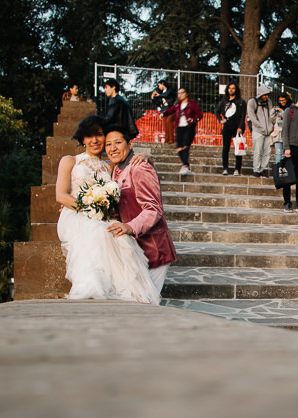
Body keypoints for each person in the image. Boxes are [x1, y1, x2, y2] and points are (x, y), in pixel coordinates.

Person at [54, 115, 158, 304]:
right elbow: (61, 196)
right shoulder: (70, 161)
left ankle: (128, 290)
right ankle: (91, 285)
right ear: (82, 139)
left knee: (119, 234)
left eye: (99, 135)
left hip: (101, 215)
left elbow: (131, 162)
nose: (94, 140)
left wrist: (146, 156)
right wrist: (89, 207)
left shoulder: (111, 165)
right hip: (76, 214)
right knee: (97, 231)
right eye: (89, 136)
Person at [105, 125, 178, 293]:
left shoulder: (140, 168)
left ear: (130, 144)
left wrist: (131, 226)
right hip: (133, 249)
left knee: (146, 303)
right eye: (108, 144)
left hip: (153, 249)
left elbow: (153, 209)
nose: (112, 148)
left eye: (117, 142)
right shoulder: (116, 169)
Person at [161, 88, 202, 176]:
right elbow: (171, 110)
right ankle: (186, 165)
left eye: (182, 93)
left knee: (185, 146)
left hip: (189, 127)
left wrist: (193, 119)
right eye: (179, 93)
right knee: (179, 147)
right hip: (179, 127)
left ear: (186, 94)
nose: (180, 95)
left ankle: (185, 165)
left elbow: (199, 114)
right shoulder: (178, 105)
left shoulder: (192, 104)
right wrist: (163, 113)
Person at [215, 82, 247, 176]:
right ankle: (225, 168)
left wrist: (240, 127)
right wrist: (220, 119)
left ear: (236, 90)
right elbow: (216, 111)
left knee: (238, 148)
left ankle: (237, 169)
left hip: (237, 127)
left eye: (233, 88)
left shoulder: (241, 101)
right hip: (227, 127)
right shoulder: (224, 101)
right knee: (225, 148)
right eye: (229, 88)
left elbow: (243, 116)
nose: (231, 90)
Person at [247, 85, 273, 177]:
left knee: (267, 151)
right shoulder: (252, 102)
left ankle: (263, 168)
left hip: (268, 130)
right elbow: (252, 116)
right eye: (264, 95)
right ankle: (256, 169)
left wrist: (270, 126)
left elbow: (271, 114)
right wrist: (260, 126)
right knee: (257, 151)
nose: (266, 97)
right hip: (258, 130)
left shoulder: (269, 102)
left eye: (267, 95)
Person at [151, 79, 177, 144]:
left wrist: (158, 95)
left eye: (159, 85)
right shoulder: (162, 93)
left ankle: (171, 139)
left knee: (169, 122)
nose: (159, 87)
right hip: (164, 110)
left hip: (171, 109)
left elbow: (166, 95)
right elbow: (159, 102)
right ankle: (167, 139)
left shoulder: (170, 90)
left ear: (162, 83)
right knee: (165, 125)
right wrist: (153, 98)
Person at [271, 92, 291, 164]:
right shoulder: (277, 109)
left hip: (287, 135)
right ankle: (278, 169)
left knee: (287, 154)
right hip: (278, 134)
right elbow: (272, 120)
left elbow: (288, 118)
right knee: (278, 153)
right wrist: (273, 111)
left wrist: (282, 111)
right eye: (280, 100)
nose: (282, 102)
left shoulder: (290, 108)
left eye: (283, 100)